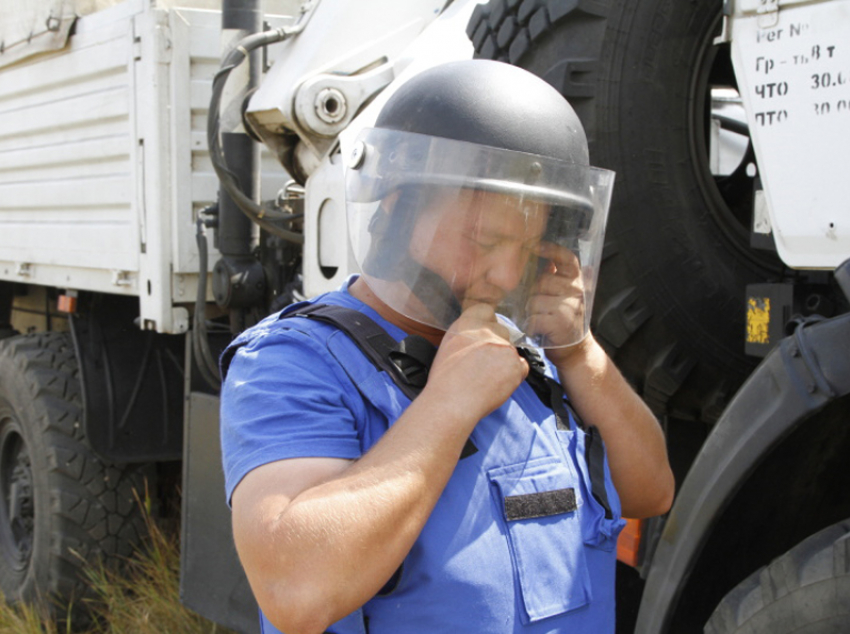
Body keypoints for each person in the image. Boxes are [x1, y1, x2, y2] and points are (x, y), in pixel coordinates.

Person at [219, 59, 675, 634]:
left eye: (529, 247)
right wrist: (448, 406)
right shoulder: (294, 362)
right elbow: (297, 591)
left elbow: (651, 491)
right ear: (397, 207)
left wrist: (578, 352)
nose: (507, 274)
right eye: (484, 240)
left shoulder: (529, 359)